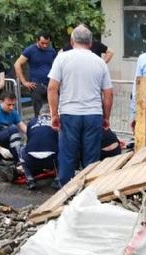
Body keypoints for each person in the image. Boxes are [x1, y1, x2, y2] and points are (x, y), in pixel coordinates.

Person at [48, 24, 113, 187]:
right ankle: (88, 194)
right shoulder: (100, 62)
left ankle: (66, 195)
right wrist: (106, 117)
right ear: (91, 43)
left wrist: (54, 115)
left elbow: (52, 88)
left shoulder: (62, 59)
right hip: (93, 115)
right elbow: (108, 93)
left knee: (67, 156)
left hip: (69, 114)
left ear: (71, 41)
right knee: (91, 158)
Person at [14, 31, 57, 117]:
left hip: (50, 84)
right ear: (37, 40)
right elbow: (17, 64)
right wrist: (24, 81)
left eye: (47, 43)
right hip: (36, 85)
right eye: (42, 43)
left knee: (53, 109)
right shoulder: (30, 50)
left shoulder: (51, 51)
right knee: (38, 111)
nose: (45, 45)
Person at [19, 100, 58, 190]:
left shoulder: (32, 121)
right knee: (64, 148)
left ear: (40, 114)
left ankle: (29, 179)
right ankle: (58, 179)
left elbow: (29, 141)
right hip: (52, 160)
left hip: (31, 160)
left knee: (21, 149)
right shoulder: (55, 121)